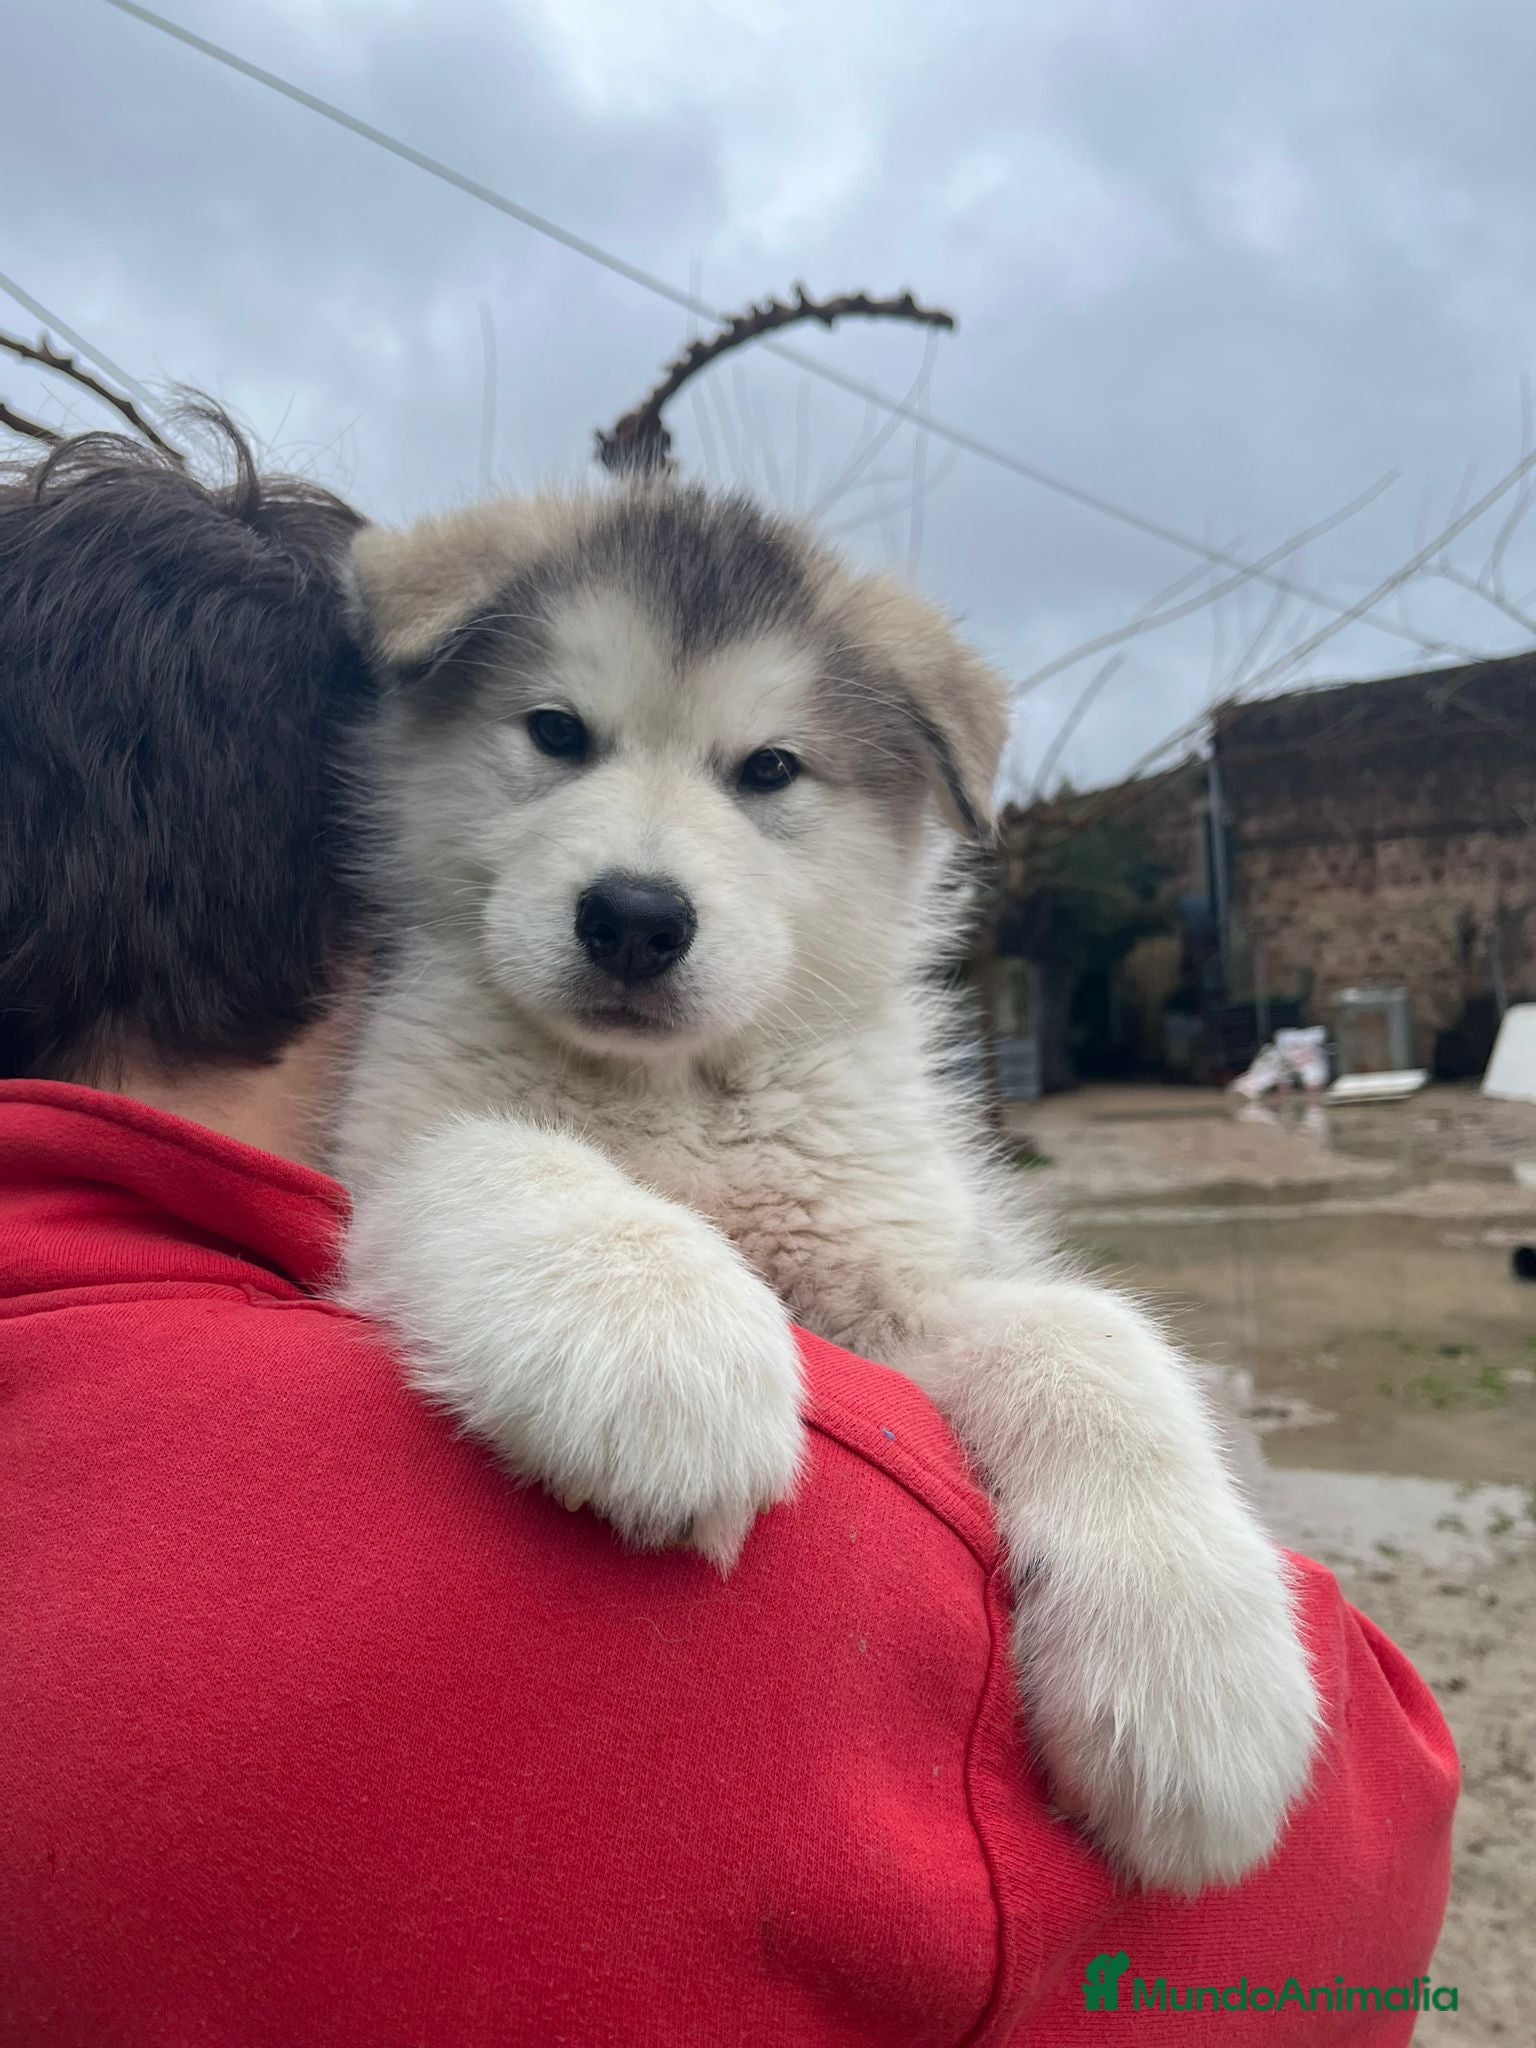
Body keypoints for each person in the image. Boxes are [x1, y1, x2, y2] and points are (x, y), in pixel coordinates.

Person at [0, 421, 1457, 2048]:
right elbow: (411, 1197)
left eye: (767, 775)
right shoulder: (427, 1037)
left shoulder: (852, 1077)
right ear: (404, 734)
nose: (642, 871)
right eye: (558, 732)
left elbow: (925, 1316)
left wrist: (1114, 1456)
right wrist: (555, 1222)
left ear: (908, 814)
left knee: (1066, 1341)